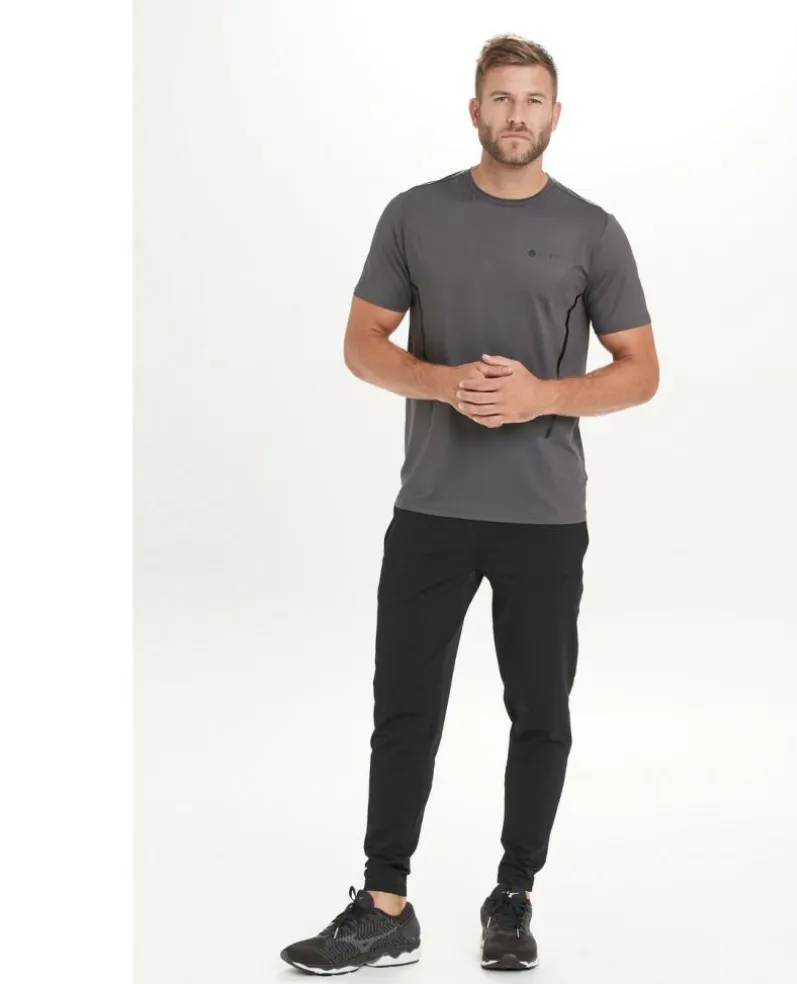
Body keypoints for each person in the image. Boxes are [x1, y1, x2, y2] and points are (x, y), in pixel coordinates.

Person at [280, 33, 658, 976]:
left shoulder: (593, 231)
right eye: (500, 98)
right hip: (433, 508)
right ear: (475, 109)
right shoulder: (415, 214)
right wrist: (443, 382)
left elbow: (640, 370)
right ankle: (385, 906)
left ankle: (513, 895)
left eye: (532, 100)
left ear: (555, 115)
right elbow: (363, 343)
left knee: (541, 711)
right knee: (404, 707)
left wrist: (542, 396)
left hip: (544, 515)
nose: (516, 115)